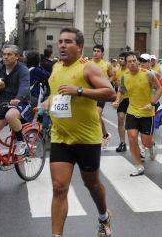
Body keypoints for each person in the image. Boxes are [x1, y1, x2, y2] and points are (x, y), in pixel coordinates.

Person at [44, 28, 116, 237]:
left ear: (79, 47)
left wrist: (81, 91)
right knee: (59, 187)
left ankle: (103, 216)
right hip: (61, 136)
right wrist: (44, 103)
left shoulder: (88, 68)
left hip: (86, 139)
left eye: (68, 42)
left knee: (91, 184)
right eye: (60, 41)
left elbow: (110, 93)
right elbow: (55, 95)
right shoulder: (56, 67)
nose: (63, 45)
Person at [118, 52, 162, 176]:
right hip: (132, 110)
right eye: (129, 61)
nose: (132, 63)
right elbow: (122, 90)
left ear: (137, 62)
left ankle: (151, 145)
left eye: (134, 61)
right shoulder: (124, 76)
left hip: (147, 112)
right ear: (126, 64)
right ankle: (138, 165)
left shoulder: (148, 74)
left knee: (146, 142)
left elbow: (159, 88)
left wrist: (153, 102)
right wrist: (117, 100)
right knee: (131, 137)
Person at [0, 45, 31, 155]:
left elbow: (24, 87)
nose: (5, 57)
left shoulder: (23, 70)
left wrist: (18, 99)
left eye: (9, 54)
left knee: (10, 116)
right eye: (4, 54)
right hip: (3, 104)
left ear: (16, 57)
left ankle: (21, 142)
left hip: (21, 104)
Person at [92, 45, 115, 149]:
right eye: (94, 51)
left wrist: (107, 82)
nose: (96, 53)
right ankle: (105, 135)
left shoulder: (106, 65)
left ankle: (96, 139)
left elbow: (112, 75)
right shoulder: (88, 64)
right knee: (94, 116)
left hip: (101, 93)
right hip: (91, 93)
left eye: (98, 51)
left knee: (97, 115)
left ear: (102, 53)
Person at [111, 52, 129, 152]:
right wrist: (117, 100)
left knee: (132, 124)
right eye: (120, 59)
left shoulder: (130, 71)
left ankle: (144, 143)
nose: (120, 60)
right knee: (120, 118)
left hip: (131, 99)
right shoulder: (118, 71)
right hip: (122, 99)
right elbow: (118, 86)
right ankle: (123, 143)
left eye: (122, 59)